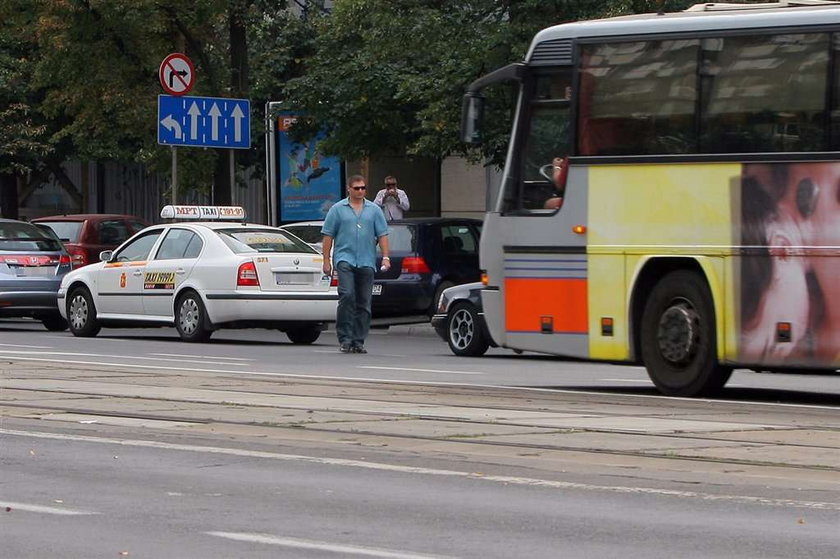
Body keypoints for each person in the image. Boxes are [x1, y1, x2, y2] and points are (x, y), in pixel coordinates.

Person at [321, 175, 391, 354]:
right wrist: (326, 261)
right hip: (345, 259)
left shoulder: (374, 210)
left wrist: (385, 257)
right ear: (349, 189)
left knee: (364, 302)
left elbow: (382, 234)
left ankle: (358, 340)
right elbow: (328, 236)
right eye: (357, 188)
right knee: (347, 296)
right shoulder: (337, 209)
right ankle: (345, 338)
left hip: (367, 261)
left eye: (363, 188)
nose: (361, 191)